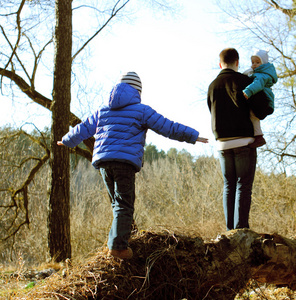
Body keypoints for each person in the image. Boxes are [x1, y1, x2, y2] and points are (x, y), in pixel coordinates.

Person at [57, 71, 208, 259]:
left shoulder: (103, 110)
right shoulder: (141, 110)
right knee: (124, 205)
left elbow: (84, 127)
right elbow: (168, 127)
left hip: (104, 162)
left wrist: (67, 140)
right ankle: (118, 247)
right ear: (137, 91)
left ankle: (116, 242)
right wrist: (193, 136)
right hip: (124, 162)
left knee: (117, 204)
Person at [207, 48, 265, 231]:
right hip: (244, 142)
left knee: (228, 186)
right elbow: (261, 109)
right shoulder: (245, 81)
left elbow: (212, 109)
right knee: (243, 186)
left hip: (222, 143)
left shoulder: (212, 86)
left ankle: (229, 231)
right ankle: (241, 231)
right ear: (237, 62)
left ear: (220, 64)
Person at [242, 49, 278, 148]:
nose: (254, 64)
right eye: (253, 62)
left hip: (265, 100)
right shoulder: (259, 72)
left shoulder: (262, 75)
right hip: (264, 99)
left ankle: (259, 137)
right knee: (253, 116)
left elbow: (258, 84)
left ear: (263, 63)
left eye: (257, 62)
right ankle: (257, 136)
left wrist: (248, 91)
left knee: (253, 116)